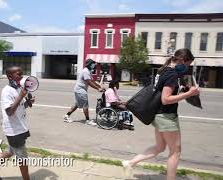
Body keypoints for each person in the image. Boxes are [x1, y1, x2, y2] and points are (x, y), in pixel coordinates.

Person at [122, 48, 200, 180]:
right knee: (175, 151)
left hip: (158, 115)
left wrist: (181, 90)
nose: (187, 68)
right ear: (181, 60)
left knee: (160, 147)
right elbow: (165, 99)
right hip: (166, 117)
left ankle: (130, 163)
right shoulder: (172, 74)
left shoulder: (164, 70)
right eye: (187, 65)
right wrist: (189, 94)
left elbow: (163, 90)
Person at [0, 66, 35, 180]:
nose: (22, 76)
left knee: (11, 150)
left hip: (21, 127)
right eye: (18, 74)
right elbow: (9, 111)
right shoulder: (6, 91)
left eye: (22, 74)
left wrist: (28, 102)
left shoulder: (19, 88)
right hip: (13, 130)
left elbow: (19, 107)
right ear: (10, 76)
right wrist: (21, 96)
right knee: (23, 158)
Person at [63, 59, 105, 125]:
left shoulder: (89, 71)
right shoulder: (85, 71)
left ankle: (66, 116)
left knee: (77, 105)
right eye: (92, 64)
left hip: (80, 90)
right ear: (89, 64)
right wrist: (98, 89)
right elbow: (89, 82)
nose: (94, 65)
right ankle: (87, 120)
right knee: (85, 105)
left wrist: (100, 87)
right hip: (80, 90)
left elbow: (92, 81)